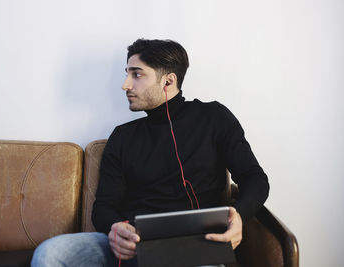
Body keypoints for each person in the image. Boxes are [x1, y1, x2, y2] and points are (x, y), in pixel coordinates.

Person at [31, 39, 269, 267]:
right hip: (132, 246)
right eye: (127, 73)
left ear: (168, 81)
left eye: (136, 74)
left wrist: (239, 216)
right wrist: (115, 228)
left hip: (195, 246)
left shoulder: (214, 118)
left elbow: (255, 178)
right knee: (51, 253)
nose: (125, 84)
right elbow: (104, 206)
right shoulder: (123, 137)